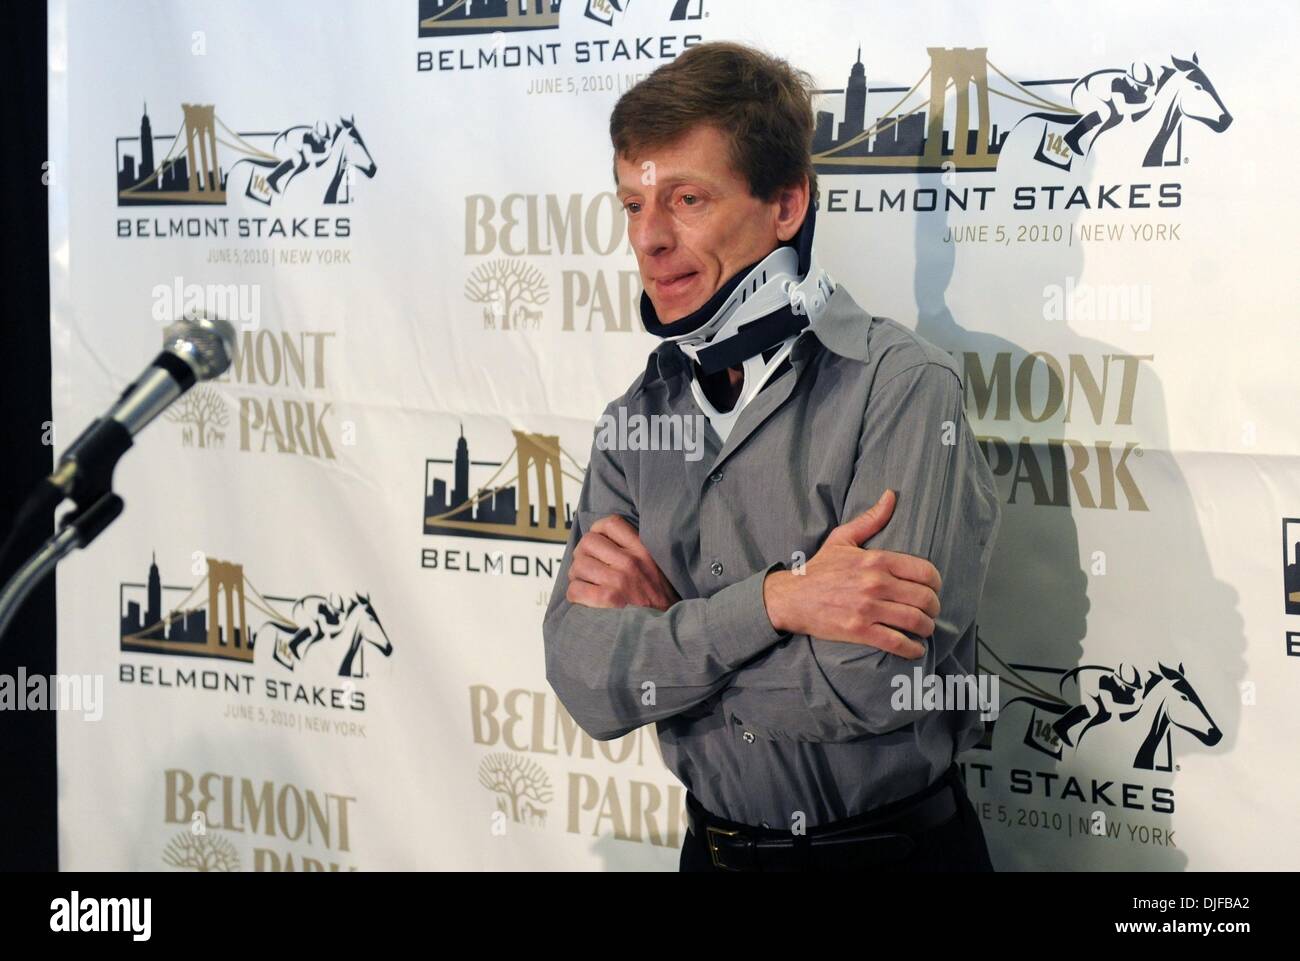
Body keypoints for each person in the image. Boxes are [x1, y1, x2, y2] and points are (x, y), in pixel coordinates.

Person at [543, 41, 1002, 872]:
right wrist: (782, 602)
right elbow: (583, 680)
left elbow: (867, 681)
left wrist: (665, 635)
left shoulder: (901, 390)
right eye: (631, 206)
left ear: (786, 206)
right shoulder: (635, 419)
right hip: (707, 854)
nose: (649, 240)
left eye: (686, 199)